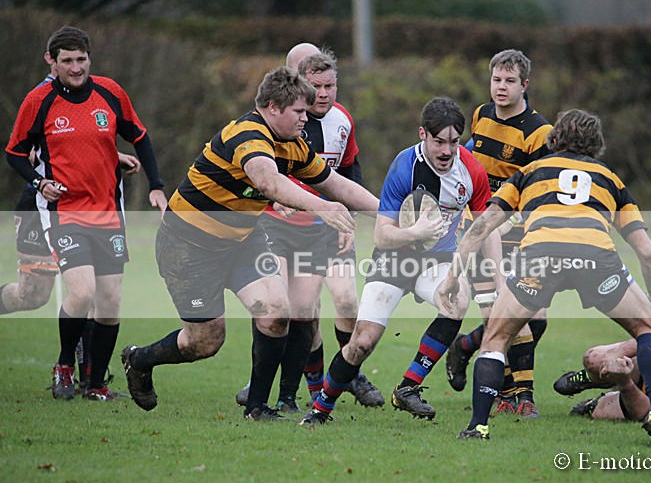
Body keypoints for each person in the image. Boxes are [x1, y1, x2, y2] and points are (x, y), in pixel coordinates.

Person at [120, 66, 378, 421]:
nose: (307, 117)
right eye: (299, 112)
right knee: (205, 341)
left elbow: (336, 184)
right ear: (273, 107)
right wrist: (323, 206)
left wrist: (391, 216)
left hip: (242, 240)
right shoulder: (249, 135)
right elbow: (268, 182)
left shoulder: (292, 145)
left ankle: (257, 408)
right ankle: (140, 359)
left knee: (276, 312)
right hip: (188, 247)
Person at [438, 109, 651, 445]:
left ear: (554, 139)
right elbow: (647, 252)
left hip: (538, 259)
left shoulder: (530, 172)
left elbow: (481, 228)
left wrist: (452, 278)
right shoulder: (609, 179)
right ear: (596, 145)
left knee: (496, 339)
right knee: (649, 329)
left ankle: (478, 426)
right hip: (595, 260)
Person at [299, 96, 495, 425]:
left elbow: (488, 228)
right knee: (362, 343)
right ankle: (321, 409)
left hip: (439, 260)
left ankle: (408, 388)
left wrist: (496, 278)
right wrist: (416, 231)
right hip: (394, 259)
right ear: (423, 135)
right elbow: (381, 236)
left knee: (457, 300)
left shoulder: (471, 169)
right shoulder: (405, 166)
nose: (447, 151)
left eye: (453, 142)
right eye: (438, 142)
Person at [5, 26, 166, 402]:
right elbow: (14, 152)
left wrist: (156, 185)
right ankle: (64, 365)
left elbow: (139, 135)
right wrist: (39, 181)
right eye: (67, 61)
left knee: (110, 300)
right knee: (82, 292)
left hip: (108, 211)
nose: (75, 68)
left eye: (81, 59)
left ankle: (95, 383)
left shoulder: (110, 92)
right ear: (53, 62)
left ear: (89, 59)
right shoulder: (38, 100)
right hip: (63, 211)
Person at [234, 44, 383, 412]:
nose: (323, 95)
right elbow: (263, 179)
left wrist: (362, 215)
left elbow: (345, 177)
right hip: (278, 226)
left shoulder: (341, 121)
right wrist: (279, 202)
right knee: (281, 307)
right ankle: (279, 387)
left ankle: (339, 375)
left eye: (331, 86)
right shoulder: (278, 125)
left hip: (324, 225)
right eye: (316, 88)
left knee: (334, 302)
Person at [446, 49, 552, 419]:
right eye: (496, 80)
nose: (501, 87)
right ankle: (518, 396)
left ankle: (466, 345)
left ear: (525, 85)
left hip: (521, 232)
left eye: (509, 81)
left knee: (533, 318)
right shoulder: (480, 115)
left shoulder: (540, 132)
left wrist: (515, 217)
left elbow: (541, 187)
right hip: (480, 229)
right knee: (499, 312)